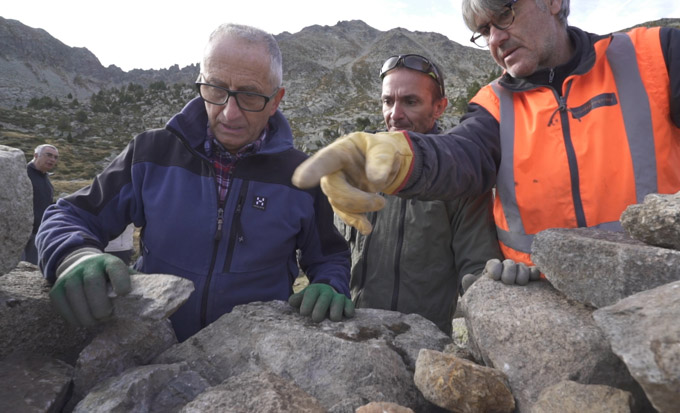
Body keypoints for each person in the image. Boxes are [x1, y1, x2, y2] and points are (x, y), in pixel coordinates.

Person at [293, 0, 680, 288]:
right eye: (484, 29)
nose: (495, 39)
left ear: (554, 2)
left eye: (505, 13)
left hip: (661, 295)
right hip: (544, 309)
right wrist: (392, 155)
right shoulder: (493, 105)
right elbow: (460, 156)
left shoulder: (659, 55)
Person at [36, 23, 354, 342]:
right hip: (152, 347)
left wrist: (329, 285)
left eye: (250, 96)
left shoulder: (305, 176)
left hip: (255, 356)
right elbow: (69, 216)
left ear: (275, 100)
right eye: (216, 89)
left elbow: (329, 257)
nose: (229, 113)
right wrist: (76, 256)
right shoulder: (150, 153)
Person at [339, 54, 501, 334]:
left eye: (410, 102)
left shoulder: (459, 178)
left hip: (424, 348)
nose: (395, 114)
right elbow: (334, 252)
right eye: (388, 101)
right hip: (354, 337)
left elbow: (477, 269)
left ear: (439, 108)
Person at [22, 144, 59, 265]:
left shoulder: (46, 179)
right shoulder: (23, 173)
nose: (52, 159)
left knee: (31, 271)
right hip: (19, 234)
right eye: (49, 155)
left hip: (37, 234)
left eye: (55, 157)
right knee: (14, 271)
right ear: (36, 155)